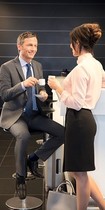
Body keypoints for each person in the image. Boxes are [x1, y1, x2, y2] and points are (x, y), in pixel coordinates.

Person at [0, 31, 64, 200]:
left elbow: (41, 87)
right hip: (16, 115)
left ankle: (33, 158)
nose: (33, 49)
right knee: (23, 135)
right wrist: (22, 85)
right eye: (30, 45)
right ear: (19, 46)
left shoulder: (37, 65)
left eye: (35, 45)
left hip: (34, 114)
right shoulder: (6, 67)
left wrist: (43, 93)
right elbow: (5, 95)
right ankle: (21, 179)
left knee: (62, 133)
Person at [48, 23, 105, 210]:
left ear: (78, 43)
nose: (70, 46)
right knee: (78, 172)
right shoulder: (96, 65)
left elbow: (76, 102)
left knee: (79, 174)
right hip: (84, 121)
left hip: (79, 120)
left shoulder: (82, 69)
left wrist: (58, 88)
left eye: (72, 43)